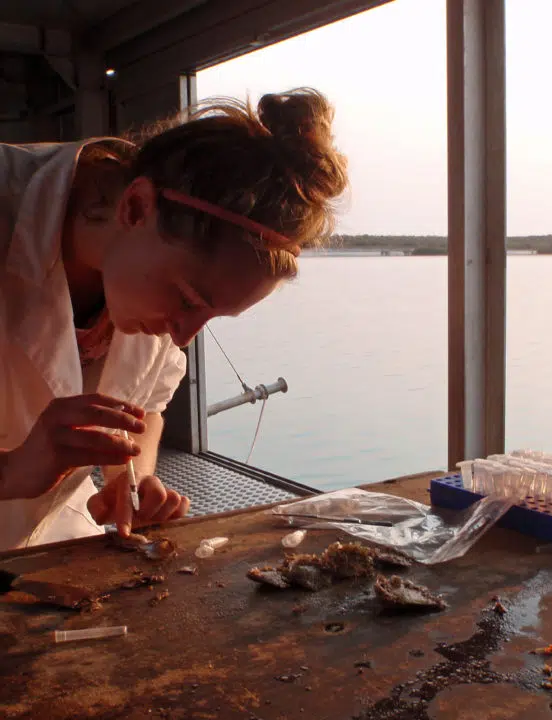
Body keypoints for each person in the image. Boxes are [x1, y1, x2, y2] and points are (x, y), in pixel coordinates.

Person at [0, 88, 348, 550]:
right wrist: (13, 470)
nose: (183, 334)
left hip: (48, 542)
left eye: (211, 316)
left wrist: (133, 477)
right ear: (136, 207)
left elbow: (146, 408)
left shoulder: (149, 257)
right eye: (187, 299)